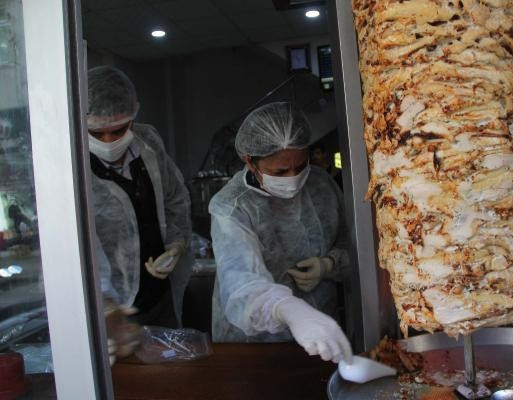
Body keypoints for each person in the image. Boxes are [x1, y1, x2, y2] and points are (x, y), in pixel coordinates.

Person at [209, 102, 352, 363]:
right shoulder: (231, 207)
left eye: (301, 165)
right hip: (254, 345)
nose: (293, 178)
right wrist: (287, 308)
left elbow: (353, 243)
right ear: (249, 161)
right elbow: (241, 283)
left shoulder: (321, 184)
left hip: (320, 335)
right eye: (280, 171)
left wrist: (329, 264)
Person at [87, 66, 192, 341]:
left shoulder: (149, 143)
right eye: (97, 133)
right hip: (112, 310)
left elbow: (175, 198)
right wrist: (104, 303)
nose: (109, 141)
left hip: (159, 296)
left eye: (118, 130)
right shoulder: (71, 165)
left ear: (133, 115)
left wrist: (176, 243)